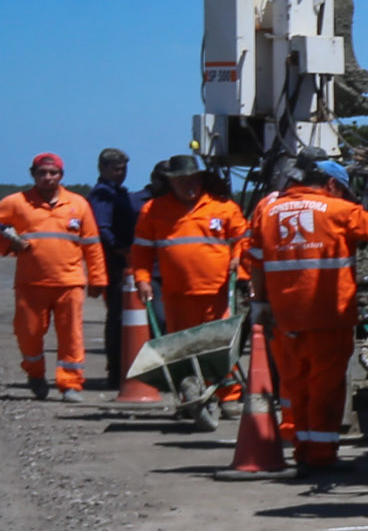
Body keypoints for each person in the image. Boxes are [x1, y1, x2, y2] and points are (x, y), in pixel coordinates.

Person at [247, 156, 368, 476]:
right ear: (331, 185)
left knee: (297, 384)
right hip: (328, 314)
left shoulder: (268, 210)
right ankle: (319, 454)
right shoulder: (340, 211)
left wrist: (261, 303)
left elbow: (256, 262)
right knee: (326, 388)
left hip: (284, 315)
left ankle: (302, 449)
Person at [1, 152, 106, 399]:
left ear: (61, 175)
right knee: (29, 333)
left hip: (69, 282)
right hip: (31, 284)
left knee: (71, 335)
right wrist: (9, 243)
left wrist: (98, 278)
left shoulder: (78, 204)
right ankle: (35, 374)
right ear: (33, 174)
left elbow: (92, 244)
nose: (47, 178)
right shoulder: (16, 203)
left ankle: (70, 384)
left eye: (53, 173)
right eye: (42, 173)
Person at [130, 154, 246, 336]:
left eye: (193, 180)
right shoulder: (153, 210)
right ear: (171, 181)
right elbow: (141, 251)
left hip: (216, 294)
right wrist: (142, 280)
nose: (189, 185)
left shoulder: (224, 207)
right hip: (177, 296)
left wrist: (238, 258)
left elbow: (243, 239)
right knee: (182, 350)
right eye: (183, 181)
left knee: (216, 346)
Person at [81, 149, 140, 389]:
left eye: (124, 168)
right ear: (103, 169)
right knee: (117, 317)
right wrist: (119, 248)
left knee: (123, 317)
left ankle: (120, 368)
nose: (122, 173)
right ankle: (115, 371)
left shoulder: (119, 193)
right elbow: (101, 227)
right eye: (116, 169)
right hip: (114, 263)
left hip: (123, 260)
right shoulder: (103, 195)